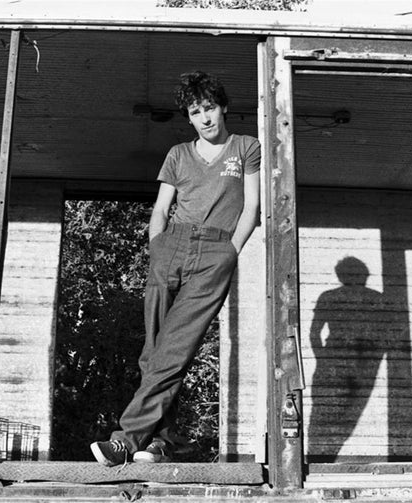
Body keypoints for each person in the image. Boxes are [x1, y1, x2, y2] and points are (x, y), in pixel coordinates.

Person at [90, 71, 261, 466]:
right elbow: (160, 210)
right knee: (154, 353)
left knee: (176, 349)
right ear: (188, 116)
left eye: (210, 108)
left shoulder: (244, 148)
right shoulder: (178, 154)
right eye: (196, 111)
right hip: (171, 247)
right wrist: (157, 248)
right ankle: (161, 442)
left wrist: (230, 252)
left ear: (223, 108)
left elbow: (251, 207)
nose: (205, 118)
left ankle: (126, 440)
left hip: (215, 252)